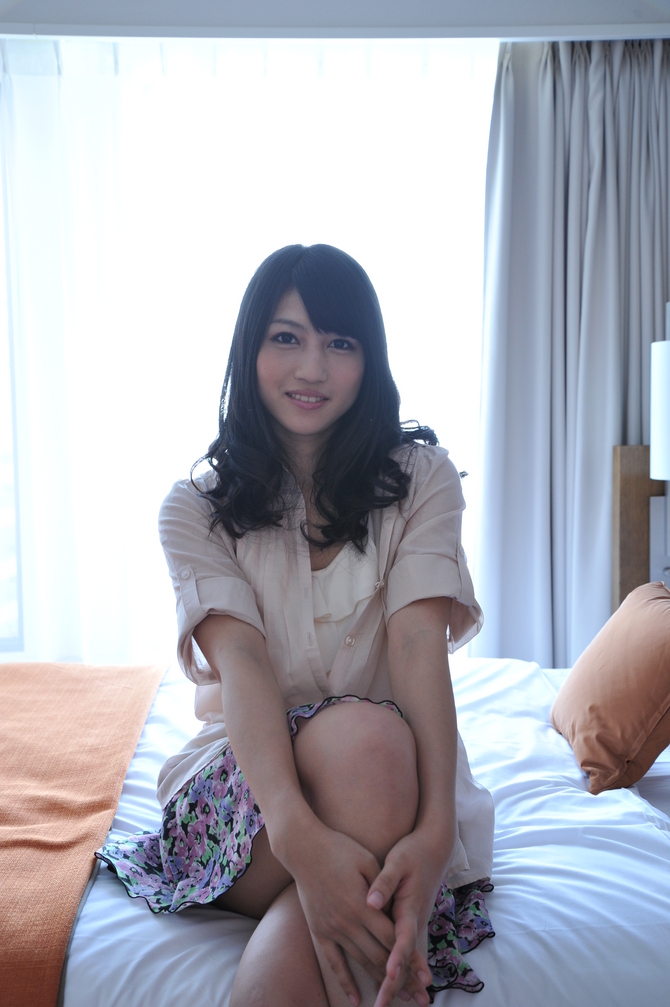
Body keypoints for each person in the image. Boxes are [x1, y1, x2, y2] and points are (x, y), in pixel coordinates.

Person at [96, 244, 495, 1007]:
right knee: (367, 742)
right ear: (250, 349)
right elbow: (244, 666)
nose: (312, 367)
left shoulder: (422, 480)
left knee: (371, 743)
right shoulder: (195, 508)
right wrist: (300, 840)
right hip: (252, 795)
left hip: (388, 779)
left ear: (368, 360)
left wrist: (436, 830)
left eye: (339, 342)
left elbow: (419, 647)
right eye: (286, 337)